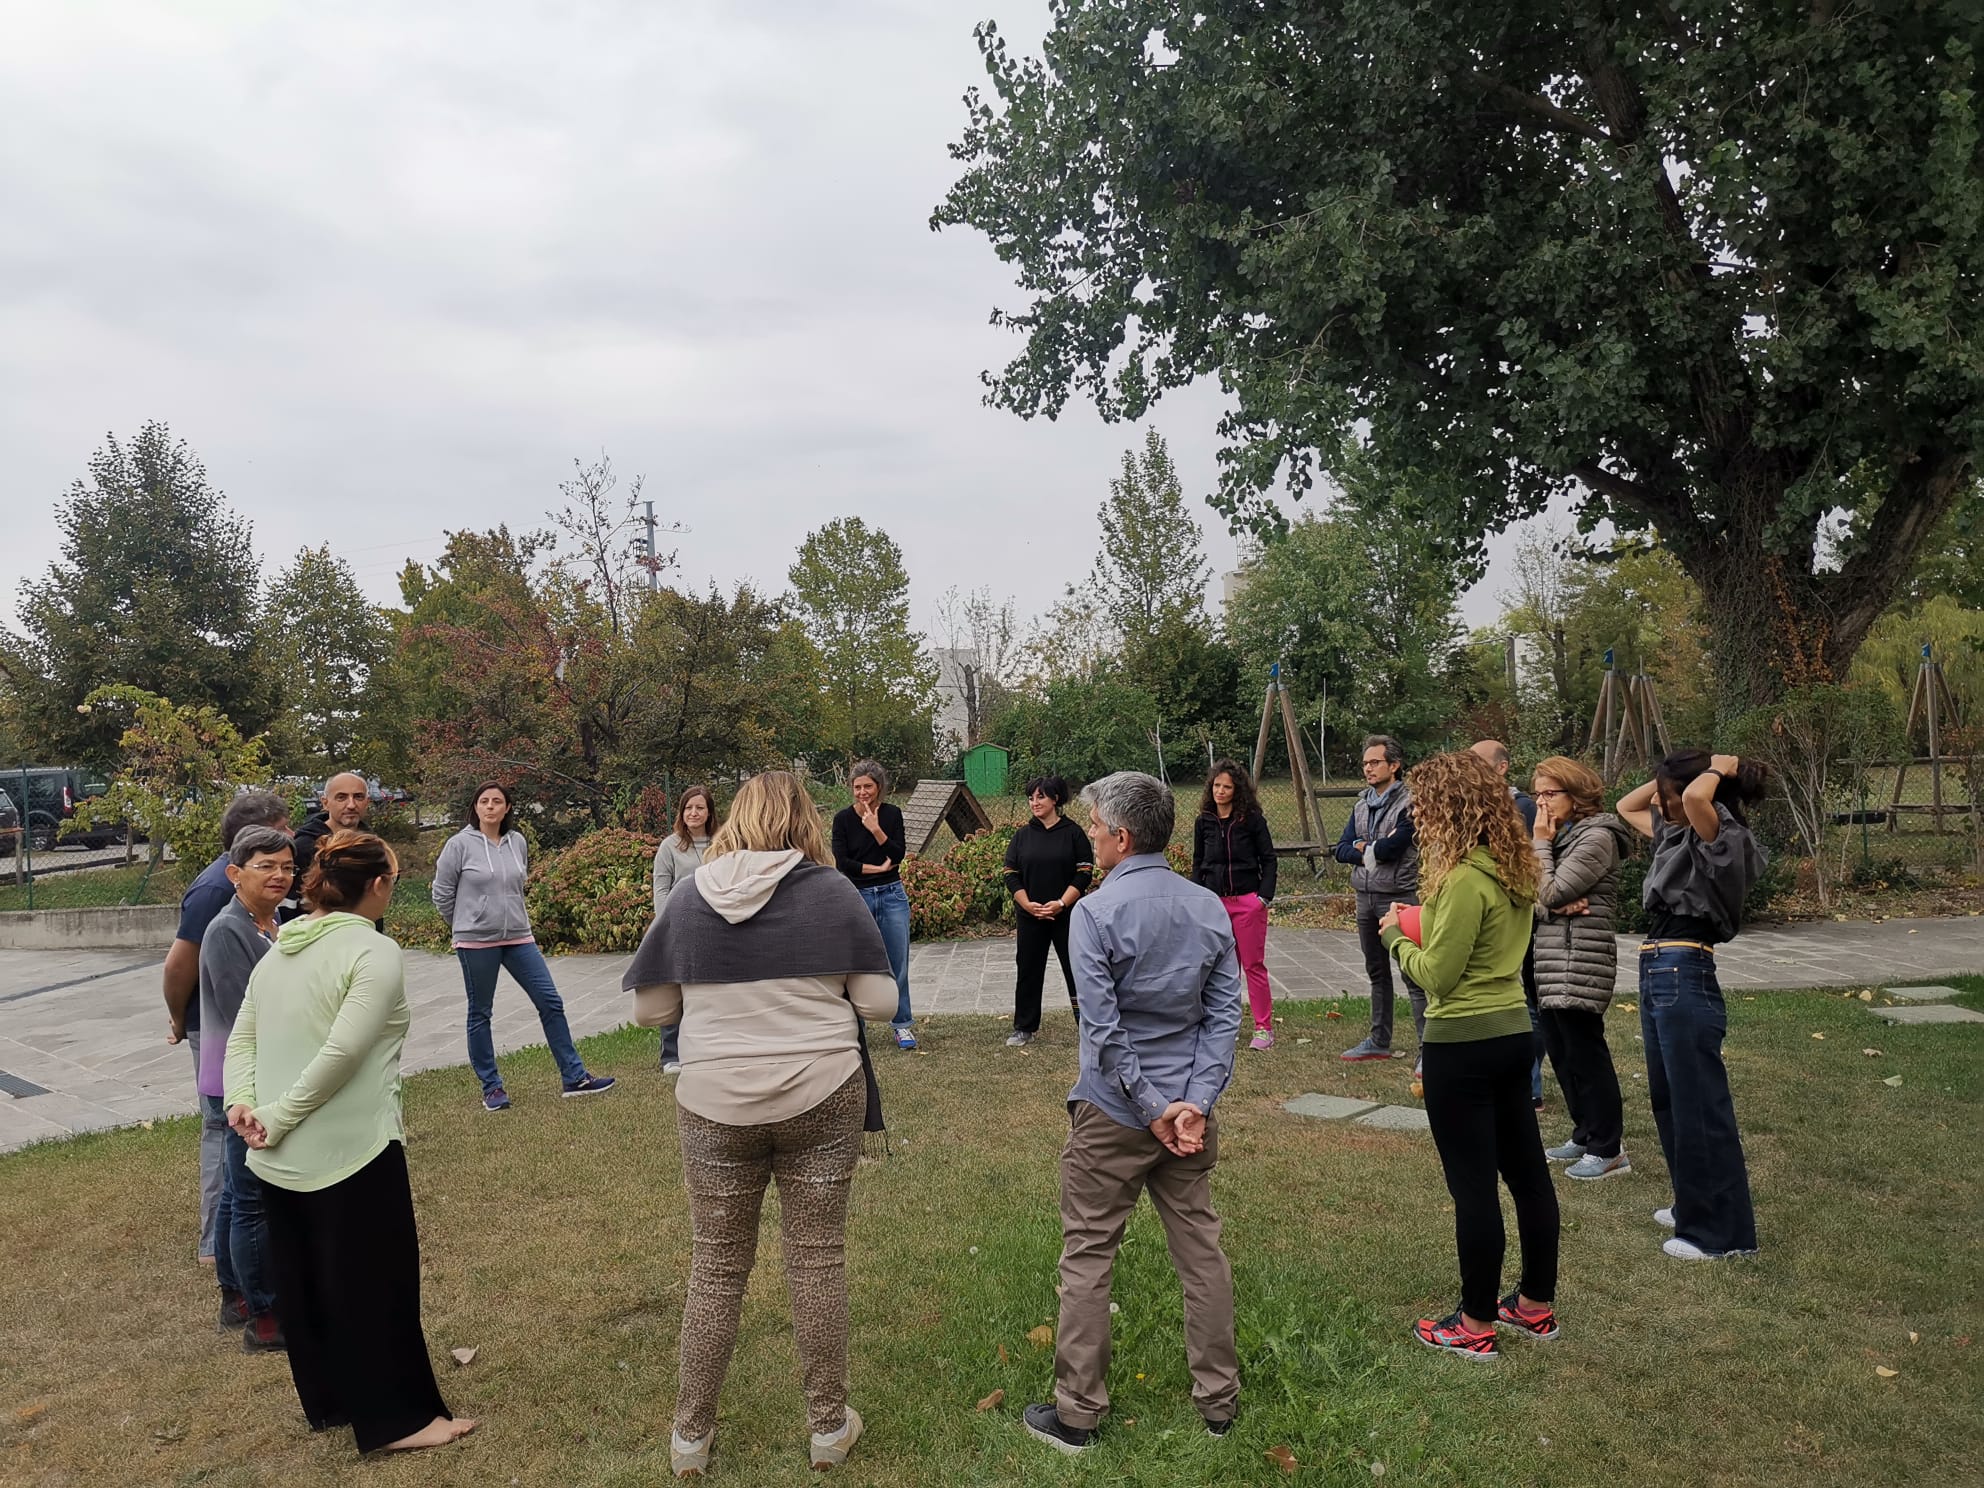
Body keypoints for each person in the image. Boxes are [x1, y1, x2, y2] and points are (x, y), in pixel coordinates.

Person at [625, 771, 898, 1477]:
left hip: (715, 1101)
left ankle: (690, 1438)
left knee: (715, 1267)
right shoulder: (831, 891)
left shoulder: (689, 895)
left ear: (736, 818)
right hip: (822, 1090)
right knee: (816, 1257)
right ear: (803, 819)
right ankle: (829, 1427)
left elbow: (650, 1013)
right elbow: (877, 1003)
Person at [223, 830, 476, 1454]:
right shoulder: (373, 952)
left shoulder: (281, 949)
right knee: (375, 1283)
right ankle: (400, 1420)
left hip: (278, 1154)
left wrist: (245, 1105)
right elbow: (343, 1052)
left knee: (309, 1282)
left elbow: (242, 1037)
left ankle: (333, 1402)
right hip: (352, 1149)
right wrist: (268, 1114)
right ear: (380, 885)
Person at [1023, 771, 1242, 1454]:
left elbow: (1104, 1027)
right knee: (1200, 1252)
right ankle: (1219, 1404)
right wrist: (1195, 1104)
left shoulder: (1094, 912)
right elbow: (1223, 1016)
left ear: (1122, 836)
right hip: (1183, 1117)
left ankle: (1078, 1415)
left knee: (1088, 1254)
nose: (1089, 833)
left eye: (1093, 825)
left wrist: (1156, 1109)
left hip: (1118, 1114)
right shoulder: (1207, 906)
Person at [1379, 750, 1559, 1360]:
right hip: (1513, 1033)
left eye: (1424, 807)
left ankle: (1476, 1323)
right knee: (1528, 1175)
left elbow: (1441, 976)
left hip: (1463, 1042)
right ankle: (1534, 1305)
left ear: (1447, 811)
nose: (1419, 817)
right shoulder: (1510, 870)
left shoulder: (1460, 878)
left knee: (1475, 1186)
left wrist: (1394, 938)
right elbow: (1480, 948)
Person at [1616, 750, 1770, 1261]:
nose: (1662, 803)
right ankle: (1692, 1205)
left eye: (1669, 794)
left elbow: (1695, 796)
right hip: (1659, 967)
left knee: (1700, 1103)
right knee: (1670, 1098)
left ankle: (1721, 1235)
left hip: (1685, 969)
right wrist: (1675, 770)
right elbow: (1626, 804)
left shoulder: (1721, 836)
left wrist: (1715, 768)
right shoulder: (1679, 833)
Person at [161, 789, 290, 1275]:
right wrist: (178, 1020)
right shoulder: (219, 892)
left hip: (235, 1029)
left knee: (233, 1139)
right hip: (220, 1032)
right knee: (224, 1134)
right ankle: (218, 1249)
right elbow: (179, 963)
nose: (284, 860)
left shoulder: (259, 896)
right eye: (280, 836)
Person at [431, 782, 615, 1112]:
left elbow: (517, 885)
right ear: (475, 808)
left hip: (518, 937)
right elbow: (442, 893)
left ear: (507, 807)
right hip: (476, 942)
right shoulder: (459, 845)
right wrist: (466, 922)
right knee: (480, 1012)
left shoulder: (517, 842)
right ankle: (492, 1088)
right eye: (483, 801)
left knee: (550, 1001)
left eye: (496, 801)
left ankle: (575, 1077)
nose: (489, 806)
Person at [198, 824, 294, 1352]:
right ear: (236, 874)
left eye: (286, 866)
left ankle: (235, 1295)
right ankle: (262, 1316)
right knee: (250, 1196)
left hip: (255, 1075)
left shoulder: (271, 922)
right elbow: (245, 1019)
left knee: (240, 1195)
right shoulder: (227, 930)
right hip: (237, 1081)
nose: (279, 875)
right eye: (266, 866)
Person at [1530, 756, 1636, 1182]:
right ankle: (1585, 1131)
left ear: (1577, 793)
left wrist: (1539, 845)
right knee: (1561, 1050)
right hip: (1554, 955)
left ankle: (1609, 1148)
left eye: (1549, 794)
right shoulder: (1561, 835)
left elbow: (1552, 888)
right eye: (1537, 793)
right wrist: (1550, 906)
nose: (1541, 803)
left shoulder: (1597, 837)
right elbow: (1528, 895)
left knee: (1586, 1053)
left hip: (1581, 957)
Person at [1334, 736, 1425, 1066]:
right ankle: (1379, 1040)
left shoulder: (1411, 805)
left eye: (1375, 762)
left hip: (1399, 899)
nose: (1368, 768)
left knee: (1413, 975)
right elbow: (1340, 849)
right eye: (1365, 763)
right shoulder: (1360, 805)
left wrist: (1363, 848)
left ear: (1394, 765)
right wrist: (1366, 849)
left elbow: (1394, 848)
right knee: (1376, 972)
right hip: (1365, 898)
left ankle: (1427, 1051)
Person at [1472, 739, 1545, 1109]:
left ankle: (1530, 1085)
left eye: (1478, 761)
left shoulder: (1522, 807)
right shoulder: (1477, 807)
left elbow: (1525, 862)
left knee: (1532, 1000)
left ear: (1502, 767)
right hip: (1491, 914)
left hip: (1520, 914)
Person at [1191, 759, 1279, 1051]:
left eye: (1227, 787)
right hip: (1214, 904)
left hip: (1247, 903)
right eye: (1216, 785)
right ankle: (1222, 1025)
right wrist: (1199, 898)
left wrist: (1262, 898)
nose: (1220, 791)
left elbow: (1268, 858)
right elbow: (1198, 862)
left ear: (1237, 789)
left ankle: (1263, 1028)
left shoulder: (1251, 819)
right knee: (1221, 968)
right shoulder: (1204, 820)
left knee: (1252, 965)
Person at [1001, 775, 1095, 1046]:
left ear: (1055, 799)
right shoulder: (1022, 836)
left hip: (1067, 915)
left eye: (1040, 797)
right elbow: (1010, 872)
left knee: (1076, 969)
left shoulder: (1074, 833)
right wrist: (1027, 904)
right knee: (1028, 969)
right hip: (1030, 916)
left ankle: (1086, 1025)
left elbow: (1084, 872)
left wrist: (1062, 903)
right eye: (1031, 797)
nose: (1034, 802)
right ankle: (1024, 1027)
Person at [831, 760, 916, 1050]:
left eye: (868, 786)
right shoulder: (842, 819)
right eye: (857, 787)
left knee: (898, 964)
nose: (862, 792)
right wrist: (875, 869)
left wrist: (876, 829)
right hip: (858, 896)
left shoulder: (892, 815)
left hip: (892, 896)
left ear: (879, 787)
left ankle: (902, 1025)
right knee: (855, 965)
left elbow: (898, 853)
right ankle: (856, 1027)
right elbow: (843, 863)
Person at [652, 785, 720, 1075]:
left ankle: (710, 1048)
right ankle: (671, 1054)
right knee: (675, 990)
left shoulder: (723, 843)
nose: (693, 813)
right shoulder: (670, 846)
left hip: (715, 926)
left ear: (709, 812)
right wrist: (667, 924)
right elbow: (661, 889)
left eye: (699, 808)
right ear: (681, 812)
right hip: (678, 928)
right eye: (688, 808)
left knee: (711, 990)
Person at [279, 772, 371, 923]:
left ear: (367, 802)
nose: (351, 805)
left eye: (358, 797)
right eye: (341, 797)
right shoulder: (304, 847)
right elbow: (287, 904)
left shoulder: (372, 845)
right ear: (325, 802)